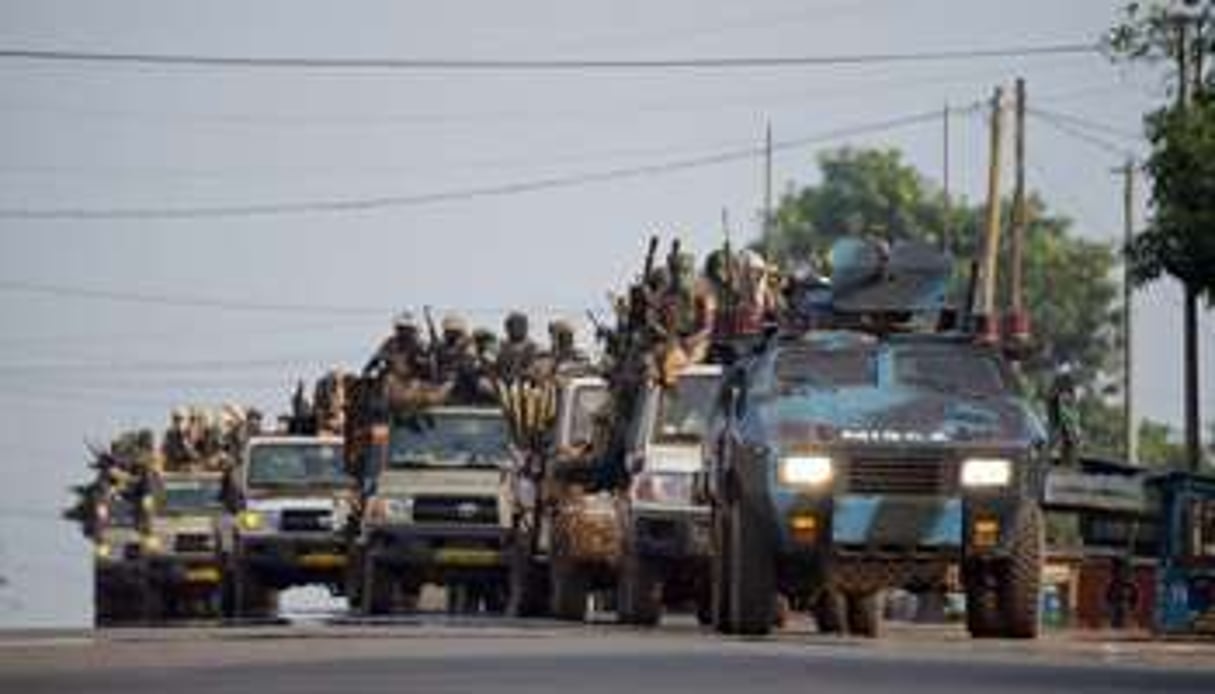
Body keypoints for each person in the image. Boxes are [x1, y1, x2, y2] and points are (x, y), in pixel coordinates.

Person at [365, 311, 434, 383]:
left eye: (407, 329)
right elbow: (377, 357)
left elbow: (427, 363)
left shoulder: (420, 344)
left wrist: (420, 361)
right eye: (402, 329)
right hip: (391, 378)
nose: (405, 332)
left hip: (413, 380)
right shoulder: (391, 343)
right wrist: (367, 370)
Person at [496, 312, 539, 382]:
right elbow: (498, 369)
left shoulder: (532, 348)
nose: (515, 329)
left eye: (519, 325)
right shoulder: (503, 349)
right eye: (510, 326)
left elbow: (537, 370)